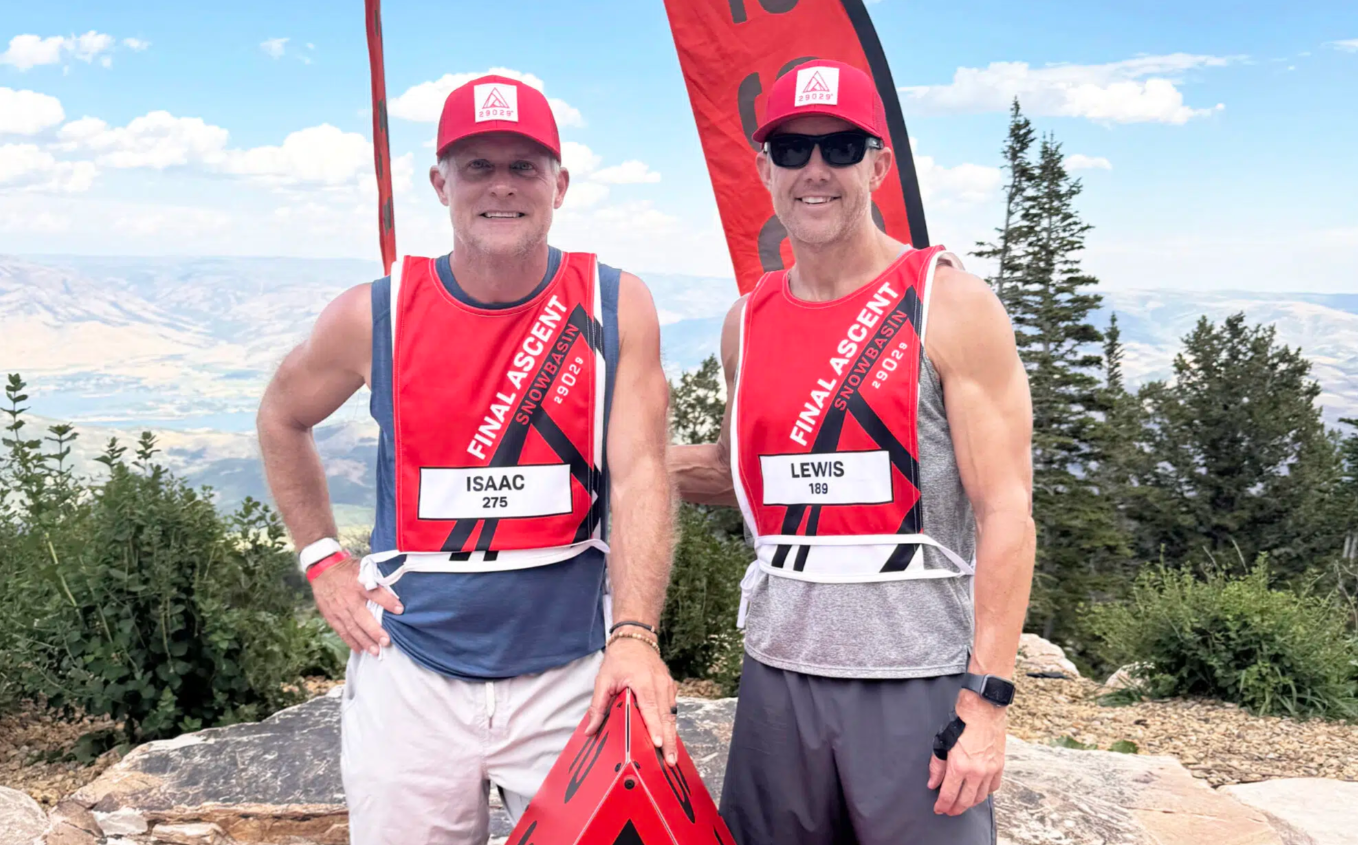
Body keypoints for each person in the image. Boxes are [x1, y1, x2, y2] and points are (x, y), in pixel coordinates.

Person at [257, 74, 677, 844]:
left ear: (560, 183)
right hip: (410, 671)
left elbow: (644, 474)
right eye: (478, 166)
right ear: (440, 182)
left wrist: (635, 636)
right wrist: (322, 557)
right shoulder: (373, 312)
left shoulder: (615, 306)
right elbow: (282, 415)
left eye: (523, 165)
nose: (501, 186)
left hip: (571, 674)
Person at [669, 60, 1035, 845]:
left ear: (877, 162)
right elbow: (757, 477)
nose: (814, 170)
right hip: (777, 676)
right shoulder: (747, 321)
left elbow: (1005, 508)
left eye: (838, 146)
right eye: (791, 148)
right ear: (763, 166)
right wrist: (626, 467)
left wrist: (985, 701)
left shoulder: (948, 304)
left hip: (915, 680)